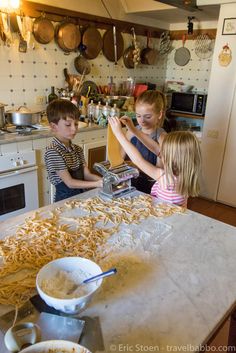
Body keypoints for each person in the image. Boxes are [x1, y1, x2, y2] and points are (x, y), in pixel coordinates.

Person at [109, 116, 201, 207]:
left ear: (171, 159)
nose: (160, 152)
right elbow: (155, 147)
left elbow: (138, 160)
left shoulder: (166, 178)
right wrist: (134, 130)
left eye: (164, 152)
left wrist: (118, 134)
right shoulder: (184, 177)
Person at [45, 99, 102, 202]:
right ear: (54, 127)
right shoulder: (53, 152)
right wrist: (97, 184)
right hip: (64, 201)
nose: (74, 129)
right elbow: (70, 183)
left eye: (76, 124)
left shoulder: (77, 150)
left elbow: (86, 175)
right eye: (68, 125)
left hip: (82, 198)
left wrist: (104, 180)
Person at [120, 90, 167, 194]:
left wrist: (135, 166)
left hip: (150, 186)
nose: (142, 121)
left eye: (148, 116)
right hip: (130, 181)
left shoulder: (162, 138)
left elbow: (159, 172)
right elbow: (120, 159)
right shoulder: (130, 132)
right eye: (138, 116)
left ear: (159, 114)